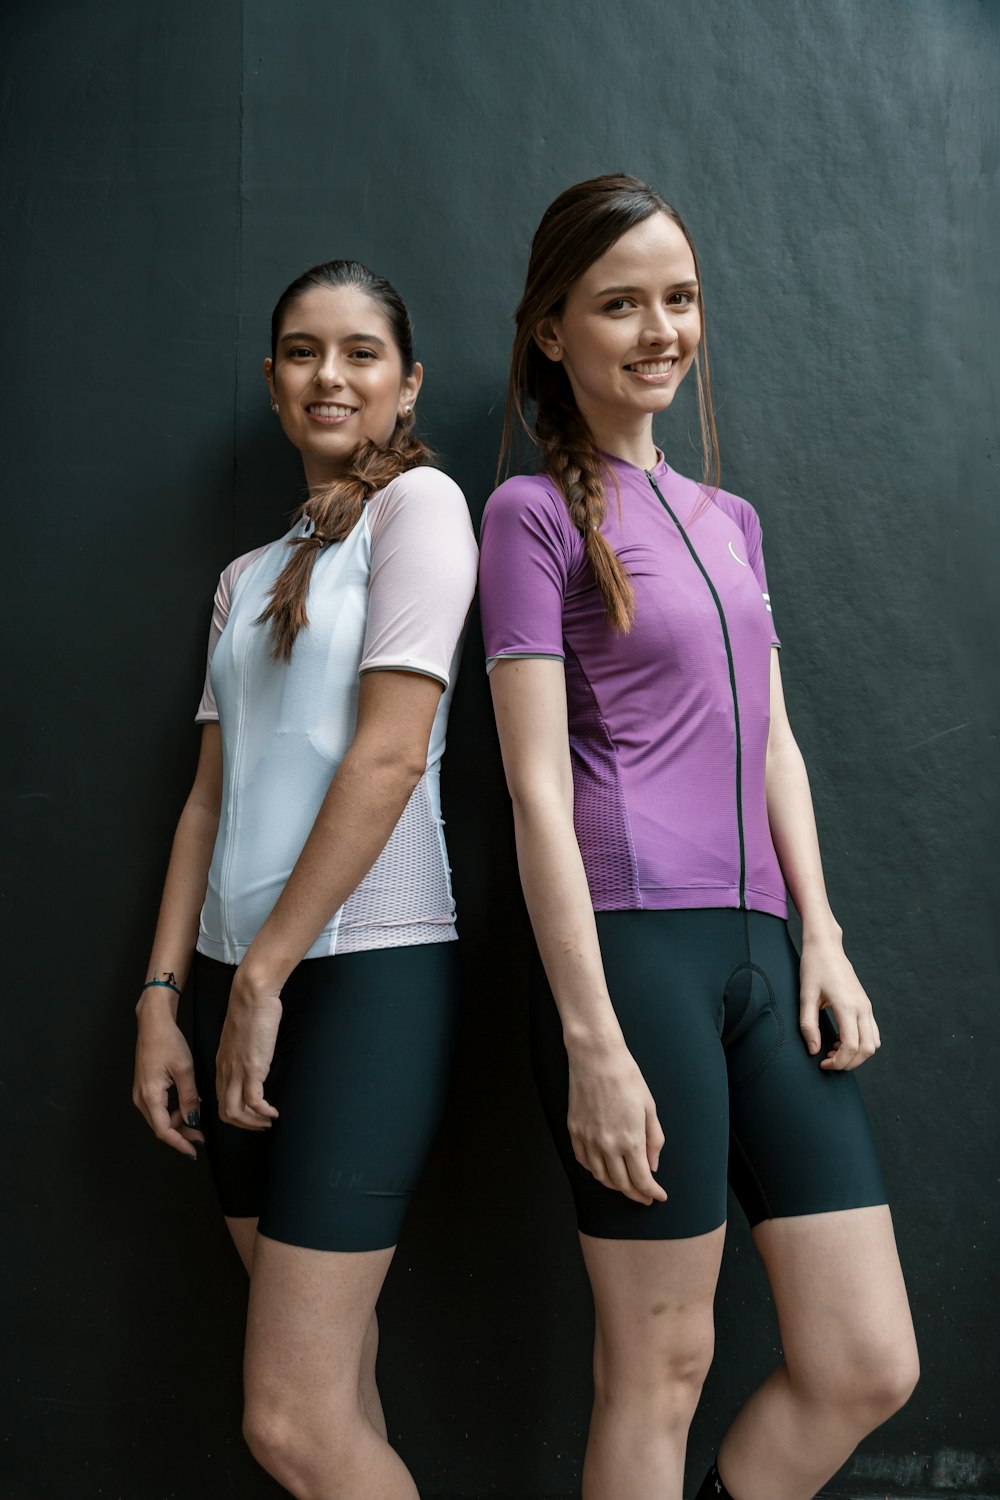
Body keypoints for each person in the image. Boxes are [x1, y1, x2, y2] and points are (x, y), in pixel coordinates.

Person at [478, 175, 918, 1500]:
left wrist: (823, 939)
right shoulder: (530, 516)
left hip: (766, 958)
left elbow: (776, 741)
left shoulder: (732, 524)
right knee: (659, 1371)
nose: (660, 328)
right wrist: (590, 1040)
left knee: (865, 1362)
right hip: (632, 961)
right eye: (621, 304)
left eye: (680, 299)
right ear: (553, 331)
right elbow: (537, 792)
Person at [132, 259, 478, 1500]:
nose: (328, 375)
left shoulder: (422, 509)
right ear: (274, 380)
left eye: (359, 352)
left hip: (363, 984)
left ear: (406, 380)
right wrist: (166, 997)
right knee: (334, 1398)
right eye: (298, 350)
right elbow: (207, 803)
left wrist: (266, 974)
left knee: (284, 1422)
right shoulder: (241, 575)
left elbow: (388, 755)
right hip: (237, 990)